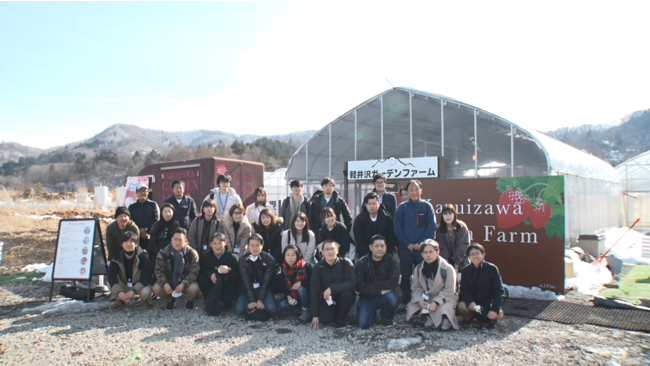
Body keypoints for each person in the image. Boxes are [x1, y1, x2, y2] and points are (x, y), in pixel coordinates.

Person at [393, 179, 437, 306]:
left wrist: (420, 244)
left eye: (416, 189)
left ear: (421, 191)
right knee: (406, 276)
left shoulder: (426, 207)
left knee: (424, 274)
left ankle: (426, 299)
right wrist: (407, 244)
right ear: (406, 192)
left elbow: (431, 227)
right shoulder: (402, 208)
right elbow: (397, 228)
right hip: (405, 248)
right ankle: (407, 300)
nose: (414, 192)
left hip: (422, 249)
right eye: (411, 190)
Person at [406, 240, 459, 331]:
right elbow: (416, 287)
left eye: (431, 252)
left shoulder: (447, 268)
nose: (428, 255)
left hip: (446, 297)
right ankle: (431, 315)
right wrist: (419, 300)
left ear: (438, 252)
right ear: (422, 254)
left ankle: (445, 319)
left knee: (444, 307)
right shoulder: (419, 268)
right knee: (411, 305)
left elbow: (450, 290)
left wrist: (436, 302)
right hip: (429, 296)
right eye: (425, 252)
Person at [355, 235, 400, 329]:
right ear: (370, 247)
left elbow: (392, 283)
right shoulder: (362, 262)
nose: (379, 249)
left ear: (386, 247)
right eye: (376, 246)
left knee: (393, 299)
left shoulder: (392, 261)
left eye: (382, 246)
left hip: (386, 296)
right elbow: (359, 286)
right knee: (363, 325)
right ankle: (372, 313)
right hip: (367, 296)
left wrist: (371, 283)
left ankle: (386, 317)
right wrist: (378, 291)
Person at [310, 240, 356, 329]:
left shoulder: (346, 263)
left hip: (343, 295)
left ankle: (341, 319)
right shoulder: (318, 268)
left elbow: (352, 283)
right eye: (327, 249)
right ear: (322, 252)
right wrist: (314, 315)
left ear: (337, 251)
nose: (330, 251)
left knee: (348, 294)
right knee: (325, 320)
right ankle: (334, 314)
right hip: (328, 299)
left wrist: (331, 289)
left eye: (332, 249)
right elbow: (314, 291)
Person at [153, 228, 201, 310]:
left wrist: (183, 284)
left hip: (185, 282)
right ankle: (170, 299)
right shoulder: (163, 253)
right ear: (171, 240)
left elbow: (194, 272)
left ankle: (190, 300)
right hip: (169, 280)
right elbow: (158, 271)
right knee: (156, 288)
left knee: (195, 288)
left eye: (180, 240)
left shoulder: (192, 254)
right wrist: (165, 283)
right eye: (175, 239)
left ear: (186, 241)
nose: (177, 242)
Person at [458, 243, 505, 325]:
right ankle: (470, 318)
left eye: (477, 253)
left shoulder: (492, 269)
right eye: (472, 254)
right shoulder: (465, 271)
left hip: (487, 303)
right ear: (468, 257)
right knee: (461, 306)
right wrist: (470, 302)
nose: (475, 256)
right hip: (474, 303)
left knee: (499, 313)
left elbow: (499, 290)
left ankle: (491, 320)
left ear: (483, 255)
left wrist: (494, 308)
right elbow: (465, 290)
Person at [107, 231, 154, 310]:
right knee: (110, 283)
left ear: (136, 243)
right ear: (122, 244)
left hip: (138, 285)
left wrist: (134, 291)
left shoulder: (143, 257)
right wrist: (119, 292)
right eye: (125, 241)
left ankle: (144, 300)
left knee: (146, 291)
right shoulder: (116, 258)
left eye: (131, 241)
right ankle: (119, 300)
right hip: (124, 285)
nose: (128, 244)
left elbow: (146, 277)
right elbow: (111, 275)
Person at [235, 234, 278, 318]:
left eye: (257, 245)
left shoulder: (269, 260)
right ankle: (254, 307)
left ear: (262, 246)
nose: (255, 248)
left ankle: (261, 305)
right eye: (252, 245)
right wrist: (252, 300)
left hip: (264, 290)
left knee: (272, 309)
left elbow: (266, 281)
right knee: (239, 310)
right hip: (247, 290)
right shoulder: (243, 260)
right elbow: (246, 281)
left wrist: (260, 300)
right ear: (248, 247)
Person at [198, 232, 241, 315]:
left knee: (227, 298)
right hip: (212, 284)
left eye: (220, 243)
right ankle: (209, 300)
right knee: (202, 279)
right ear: (210, 244)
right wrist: (210, 274)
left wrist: (229, 270)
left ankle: (225, 302)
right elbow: (202, 270)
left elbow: (238, 277)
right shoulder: (205, 256)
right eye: (214, 243)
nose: (217, 246)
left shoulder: (232, 257)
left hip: (226, 285)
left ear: (225, 243)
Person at [272, 245, 312, 322]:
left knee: (301, 289)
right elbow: (282, 286)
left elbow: (313, 282)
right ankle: (297, 309)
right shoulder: (282, 269)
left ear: (297, 255)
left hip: (306, 295)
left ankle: (306, 310)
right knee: (283, 305)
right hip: (292, 295)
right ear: (284, 257)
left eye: (293, 255)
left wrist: (302, 283)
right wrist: (288, 296)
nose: (290, 257)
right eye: (288, 255)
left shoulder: (306, 266)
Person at [353, 192, 397, 260]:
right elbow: (359, 240)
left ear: (379, 204)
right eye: (369, 204)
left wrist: (386, 253)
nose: (372, 206)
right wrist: (368, 255)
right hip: (366, 256)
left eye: (374, 203)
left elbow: (391, 239)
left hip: (385, 255)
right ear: (366, 205)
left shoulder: (387, 219)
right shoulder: (359, 220)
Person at [436, 204, 471, 271]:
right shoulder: (439, 229)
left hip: (462, 261)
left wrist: (456, 265)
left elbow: (463, 245)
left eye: (450, 213)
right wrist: (447, 265)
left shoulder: (462, 227)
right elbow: (441, 247)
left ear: (454, 214)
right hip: (445, 262)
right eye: (445, 214)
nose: (448, 216)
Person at [128, 183, 160, 251]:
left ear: (148, 193)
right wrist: (139, 230)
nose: (142, 193)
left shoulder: (153, 205)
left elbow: (156, 219)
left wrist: (146, 229)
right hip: (136, 237)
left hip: (151, 236)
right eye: (140, 191)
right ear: (136, 193)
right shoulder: (132, 207)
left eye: (145, 191)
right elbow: (130, 221)